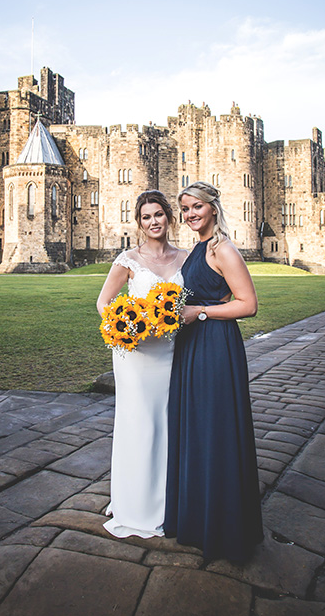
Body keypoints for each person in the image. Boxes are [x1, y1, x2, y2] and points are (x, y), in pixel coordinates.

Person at [164, 181, 263, 562]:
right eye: (185, 209)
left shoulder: (223, 248)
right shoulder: (198, 248)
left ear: (213, 209)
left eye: (196, 207)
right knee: (197, 430)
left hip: (215, 347)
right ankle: (198, 519)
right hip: (193, 346)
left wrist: (199, 312)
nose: (190, 215)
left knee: (216, 429)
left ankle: (224, 528)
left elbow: (248, 304)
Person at [97, 190, 188, 538]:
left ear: (169, 217)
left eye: (159, 215)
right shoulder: (128, 259)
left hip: (173, 351)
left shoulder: (186, 257)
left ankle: (169, 500)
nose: (154, 222)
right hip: (135, 356)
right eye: (146, 217)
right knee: (139, 424)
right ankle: (134, 503)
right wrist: (127, 328)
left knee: (168, 422)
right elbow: (104, 303)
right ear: (139, 223)